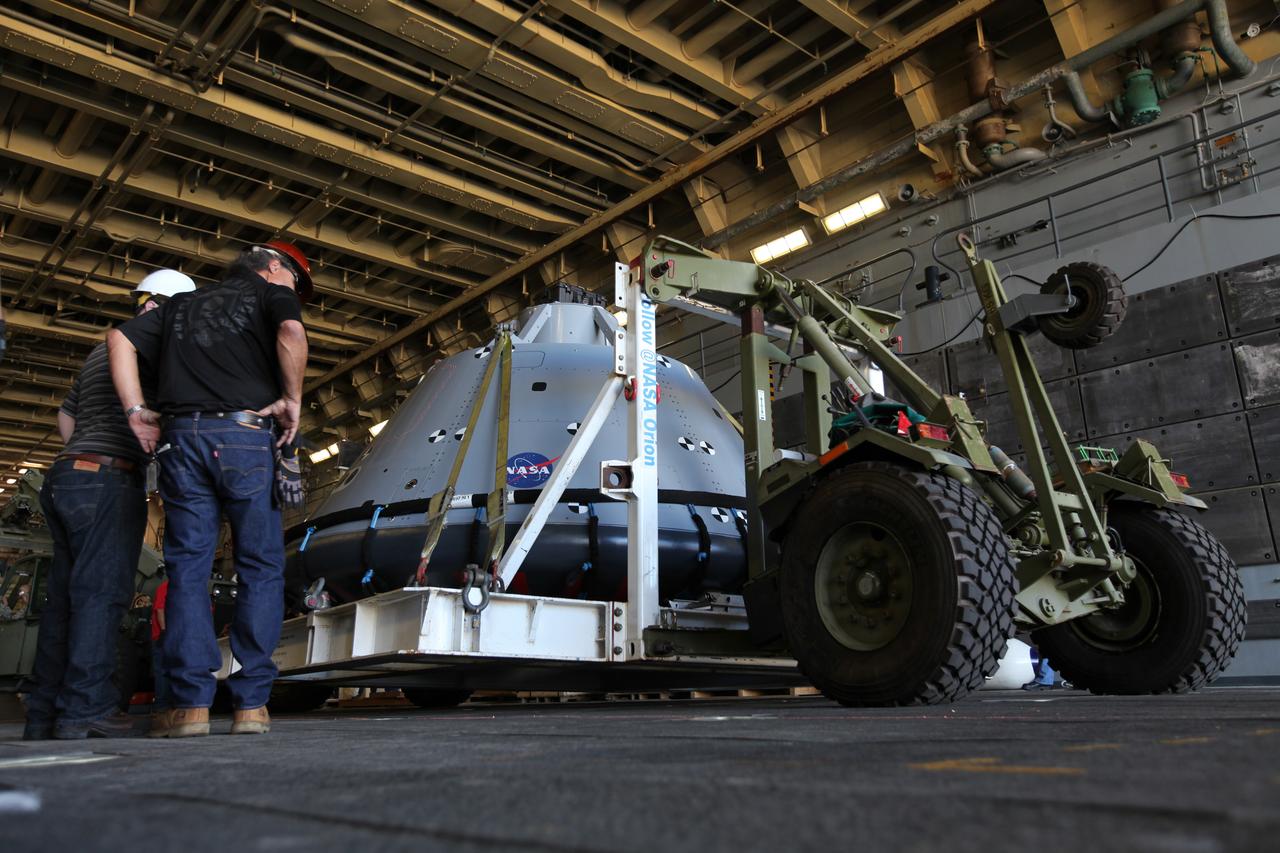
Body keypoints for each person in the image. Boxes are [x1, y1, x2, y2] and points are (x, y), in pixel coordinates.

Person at [109, 242, 311, 738]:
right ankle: (251, 705)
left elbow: (119, 339)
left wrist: (136, 412)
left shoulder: (178, 305)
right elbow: (291, 331)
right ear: (272, 267)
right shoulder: (270, 295)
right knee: (261, 568)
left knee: (188, 571)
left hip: (181, 441)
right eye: (296, 281)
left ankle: (192, 706)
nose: (296, 291)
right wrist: (291, 398)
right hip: (243, 438)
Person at [22, 269, 196, 741]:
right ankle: (87, 710)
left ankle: (43, 715)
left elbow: (66, 413)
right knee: (101, 596)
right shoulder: (159, 345)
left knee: (62, 601)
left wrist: (79, 453)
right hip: (108, 476)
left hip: (66, 475)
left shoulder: (103, 351)